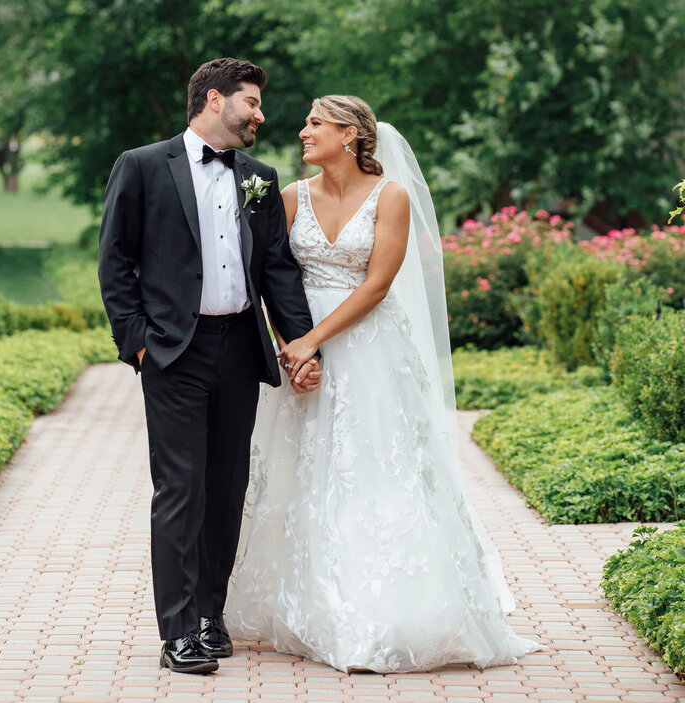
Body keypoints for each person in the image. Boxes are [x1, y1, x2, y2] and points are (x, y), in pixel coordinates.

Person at [224, 95, 542, 672]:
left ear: (349, 135)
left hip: (368, 347)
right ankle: (317, 606)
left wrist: (314, 339)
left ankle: (392, 612)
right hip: (302, 344)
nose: (302, 132)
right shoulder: (292, 197)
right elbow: (273, 277)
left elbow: (375, 286)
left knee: (375, 468)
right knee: (306, 471)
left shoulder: (389, 197)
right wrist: (292, 347)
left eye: (314, 123)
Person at [98, 57, 322, 675]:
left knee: (226, 489)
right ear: (215, 100)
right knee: (180, 489)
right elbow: (115, 263)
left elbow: (277, 269)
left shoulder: (259, 176)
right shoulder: (142, 166)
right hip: (173, 351)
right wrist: (138, 342)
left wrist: (302, 344)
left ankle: (208, 615)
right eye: (251, 102)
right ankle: (177, 634)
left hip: (239, 349)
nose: (261, 114)